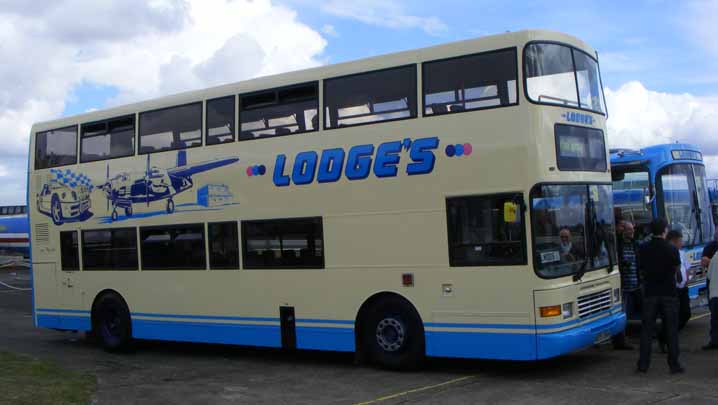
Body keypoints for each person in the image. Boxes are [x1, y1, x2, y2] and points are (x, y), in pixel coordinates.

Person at [636, 217, 684, 374]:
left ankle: (643, 364)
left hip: (650, 292)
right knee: (671, 329)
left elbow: (641, 269)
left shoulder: (643, 248)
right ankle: (674, 364)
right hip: (668, 293)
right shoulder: (671, 249)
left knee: (647, 330)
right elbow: (677, 270)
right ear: (665, 230)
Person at [658, 229, 691, 352]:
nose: (682, 243)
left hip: (683, 288)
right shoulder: (666, 252)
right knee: (671, 316)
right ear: (674, 240)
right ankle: (666, 338)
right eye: (680, 240)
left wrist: (687, 279)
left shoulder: (681, 253)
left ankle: (668, 335)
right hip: (672, 289)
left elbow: (686, 267)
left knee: (686, 314)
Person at [613, 221, 640, 350]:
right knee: (622, 313)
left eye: (632, 230)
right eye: (629, 230)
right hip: (624, 286)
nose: (632, 232)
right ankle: (620, 341)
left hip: (636, 284)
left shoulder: (636, 245)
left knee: (643, 311)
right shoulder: (619, 245)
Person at [702, 224, 718, 350]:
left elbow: (708, 267)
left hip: (714, 287)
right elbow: (704, 263)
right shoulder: (710, 247)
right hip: (713, 287)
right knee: (714, 315)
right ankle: (714, 340)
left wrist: (710, 261)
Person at [705, 252, 718, 350]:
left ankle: (714, 341)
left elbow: (708, 275)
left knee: (715, 320)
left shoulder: (715, 256)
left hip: (715, 294)